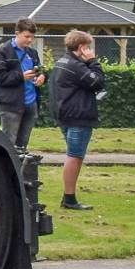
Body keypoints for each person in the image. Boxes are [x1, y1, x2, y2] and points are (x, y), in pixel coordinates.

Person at [51, 30, 108, 211]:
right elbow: (98, 82)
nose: (90, 50)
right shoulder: (76, 66)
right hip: (78, 116)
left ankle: (69, 197)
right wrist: (93, 61)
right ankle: (69, 198)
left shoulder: (61, 62)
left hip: (65, 114)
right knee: (74, 156)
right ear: (82, 47)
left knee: (73, 154)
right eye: (88, 47)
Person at [0, 18, 46, 150]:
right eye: (27, 36)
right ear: (17, 33)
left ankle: (21, 170)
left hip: (31, 104)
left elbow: (40, 69)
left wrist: (42, 76)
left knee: (22, 146)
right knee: (8, 145)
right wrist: (21, 76)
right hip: (11, 105)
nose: (30, 40)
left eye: (32, 37)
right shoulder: (3, 51)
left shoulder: (32, 52)